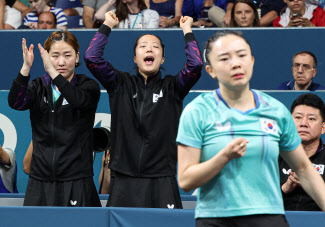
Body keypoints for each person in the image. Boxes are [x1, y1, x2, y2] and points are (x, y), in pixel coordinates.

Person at [176, 30, 325, 226]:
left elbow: (303, 167)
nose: (235, 63)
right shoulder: (197, 111)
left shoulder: (276, 111)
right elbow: (185, 180)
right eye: (224, 58)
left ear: (251, 61)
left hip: (268, 217)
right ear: (211, 70)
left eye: (242, 55)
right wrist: (223, 157)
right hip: (215, 217)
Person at [85, 12, 203, 208]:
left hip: (161, 178)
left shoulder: (173, 87)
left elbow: (196, 64)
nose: (150, 49)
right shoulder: (119, 83)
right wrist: (107, 24)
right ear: (135, 58)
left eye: (155, 47)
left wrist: (187, 30)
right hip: (123, 178)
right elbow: (91, 57)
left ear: (162, 59)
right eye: (143, 46)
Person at [8, 31, 101, 206]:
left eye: (67, 55)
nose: (61, 62)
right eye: (55, 56)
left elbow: (78, 101)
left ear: (77, 56)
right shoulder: (38, 86)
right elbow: (16, 102)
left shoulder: (88, 86)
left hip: (76, 179)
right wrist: (25, 68)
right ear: (46, 57)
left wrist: (53, 73)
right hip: (40, 180)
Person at [280, 93, 325, 211]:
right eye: (298, 117)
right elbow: (258, 198)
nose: (303, 123)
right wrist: (285, 189)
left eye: (311, 118)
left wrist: (311, 185)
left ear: (323, 127)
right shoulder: (276, 154)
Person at [208, 0, 286, 27]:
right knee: (213, 10)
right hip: (234, 25)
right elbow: (232, 2)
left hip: (260, 27)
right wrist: (229, 13)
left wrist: (253, 26)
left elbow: (274, 14)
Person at [94, 0, 159, 28]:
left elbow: (151, 34)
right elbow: (98, 15)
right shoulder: (118, 14)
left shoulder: (151, 14)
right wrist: (110, 2)